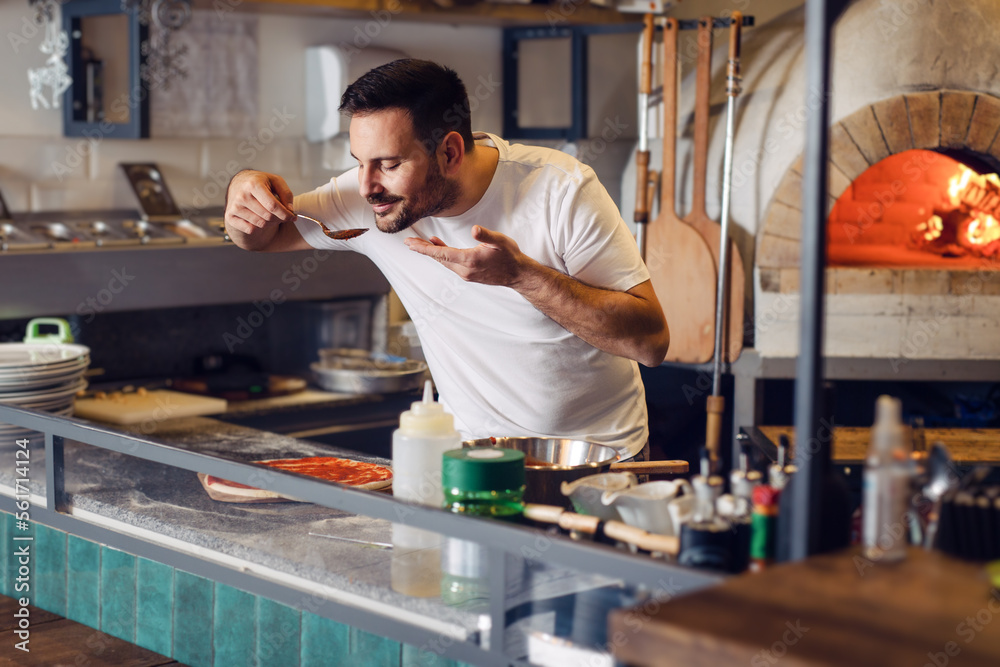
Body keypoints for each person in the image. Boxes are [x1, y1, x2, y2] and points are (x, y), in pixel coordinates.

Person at [224, 59, 669, 459]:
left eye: (389, 163)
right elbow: (259, 238)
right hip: (470, 461)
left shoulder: (560, 191)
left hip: (598, 461)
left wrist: (521, 276)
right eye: (359, 161)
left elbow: (650, 343)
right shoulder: (374, 202)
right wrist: (243, 189)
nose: (366, 186)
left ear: (450, 153)